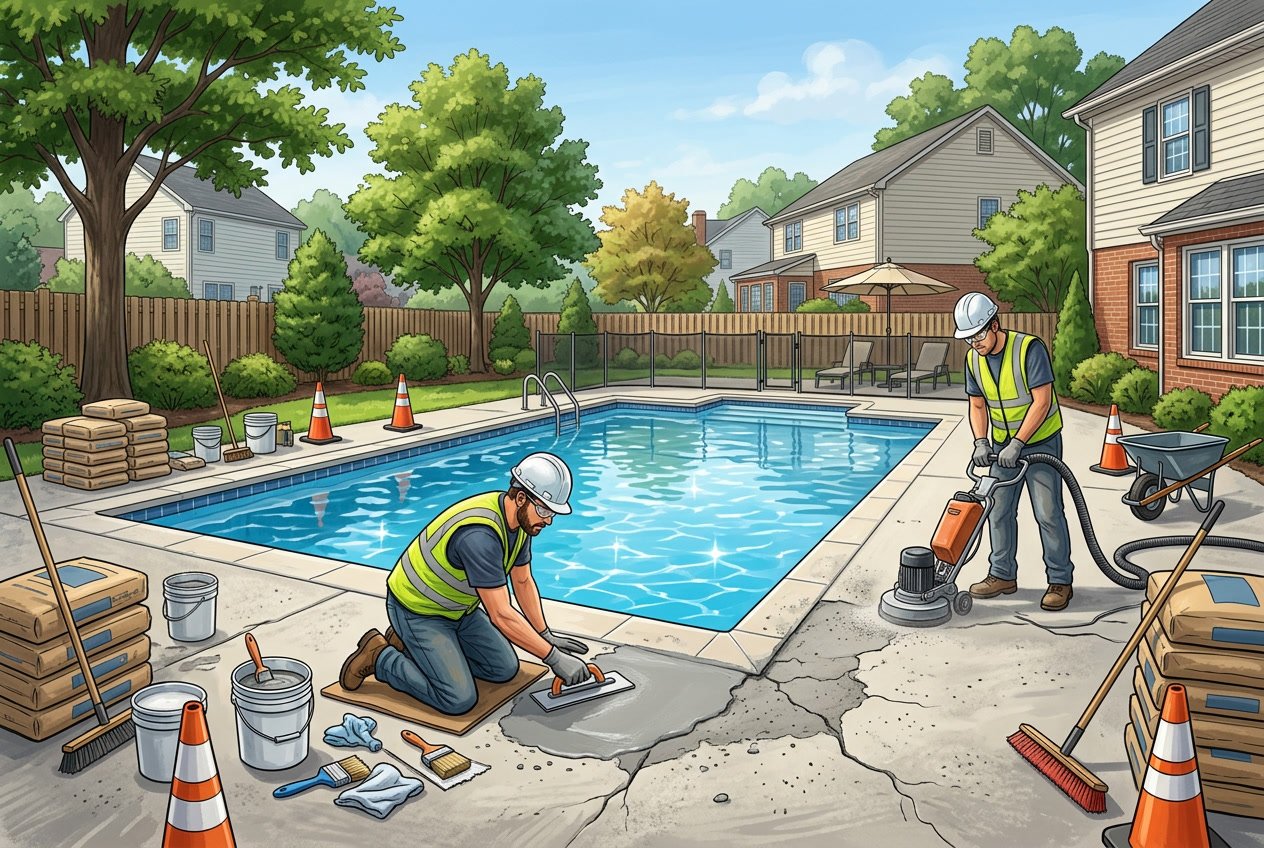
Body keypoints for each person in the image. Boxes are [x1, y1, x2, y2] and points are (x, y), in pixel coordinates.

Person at [338, 452, 594, 714]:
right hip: (417, 611)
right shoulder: (479, 536)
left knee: (504, 669)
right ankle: (380, 656)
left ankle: (412, 646)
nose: (548, 520)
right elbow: (502, 614)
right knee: (458, 699)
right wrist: (553, 657)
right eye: (544, 510)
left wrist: (544, 634)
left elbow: (523, 580)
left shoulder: (519, 522)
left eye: (552, 513)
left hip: (459, 611)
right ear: (520, 498)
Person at [955, 292, 1075, 612]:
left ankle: (1060, 580)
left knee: (1048, 512)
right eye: (968, 338)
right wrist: (981, 442)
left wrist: (1019, 442)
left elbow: (1042, 401)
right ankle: (1002, 574)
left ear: (995, 325)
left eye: (979, 335)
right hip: (1000, 447)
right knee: (998, 510)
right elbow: (977, 404)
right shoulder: (973, 359)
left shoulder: (1028, 349)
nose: (975, 343)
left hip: (1040, 443)